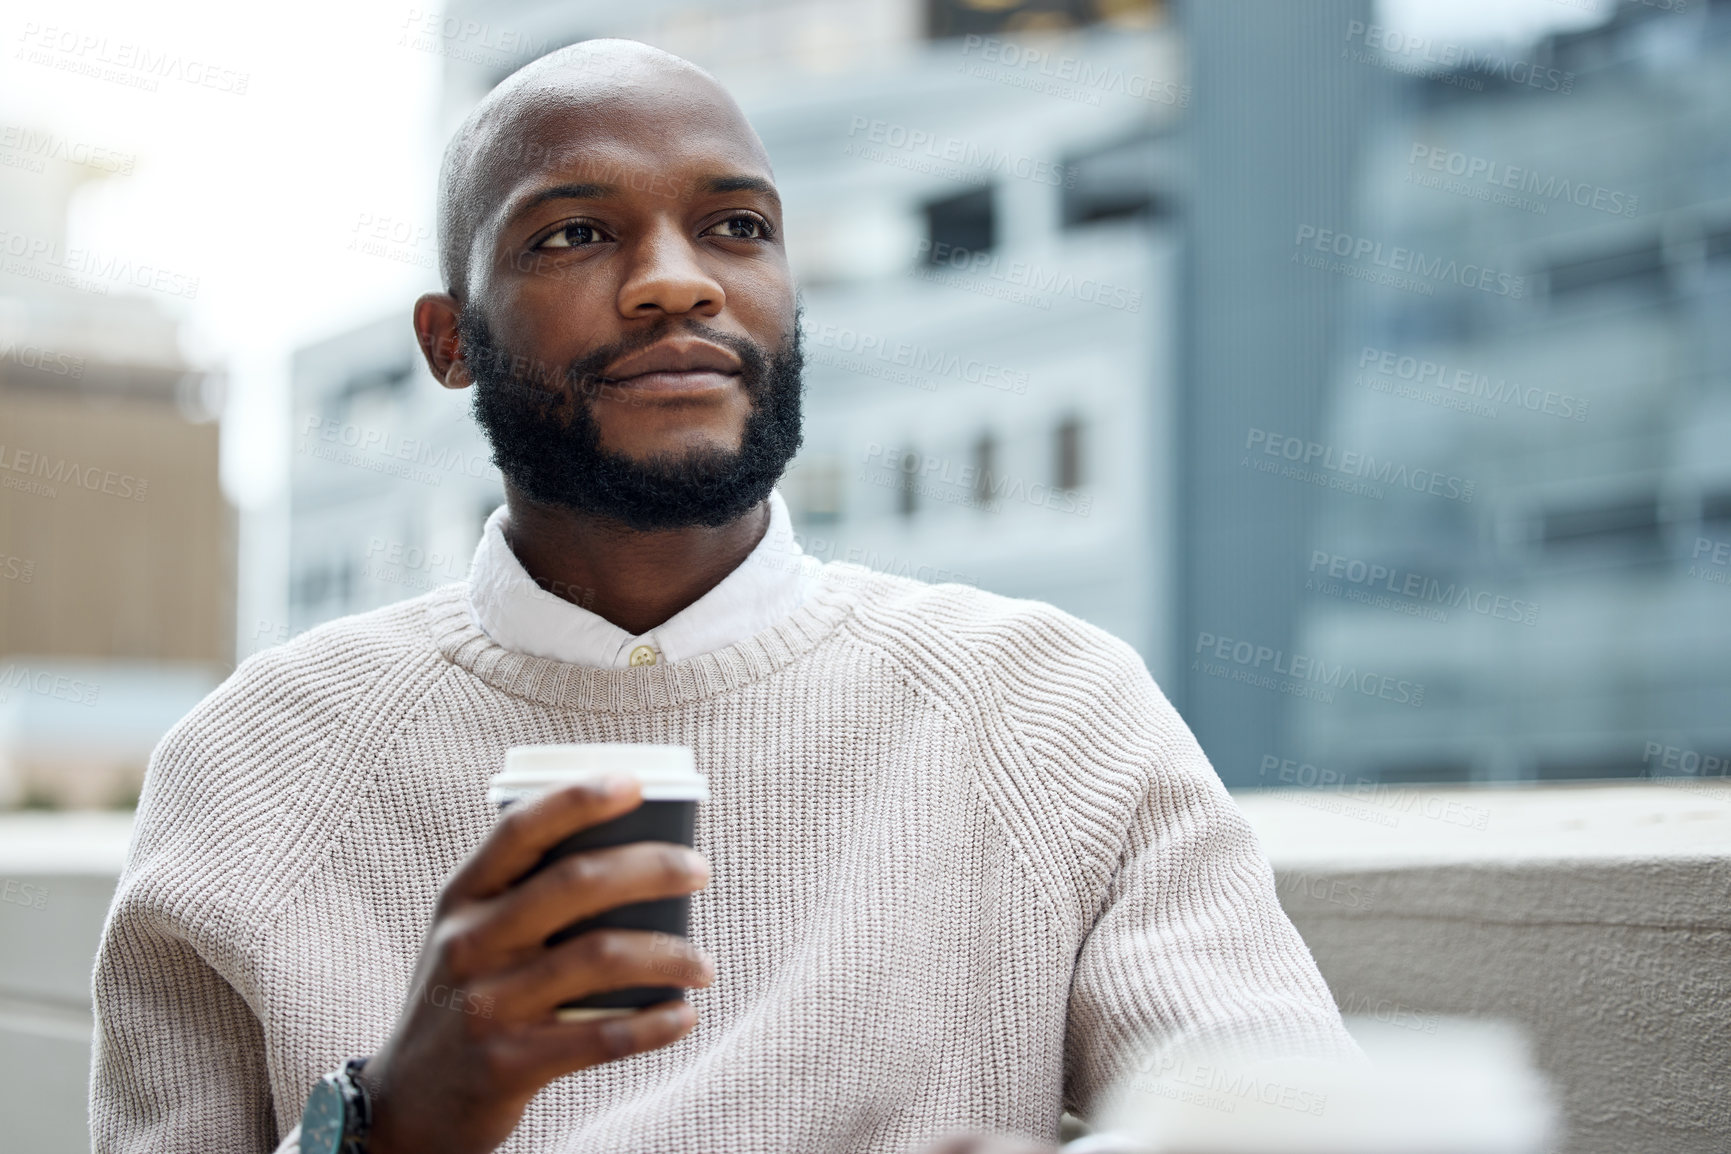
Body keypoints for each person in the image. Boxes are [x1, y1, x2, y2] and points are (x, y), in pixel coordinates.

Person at [88, 38, 1356, 1154]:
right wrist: (392, 1123)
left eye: (737, 228)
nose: (676, 280)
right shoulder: (252, 767)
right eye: (574, 232)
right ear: (449, 338)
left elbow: (1289, 1115)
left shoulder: (1050, 710)